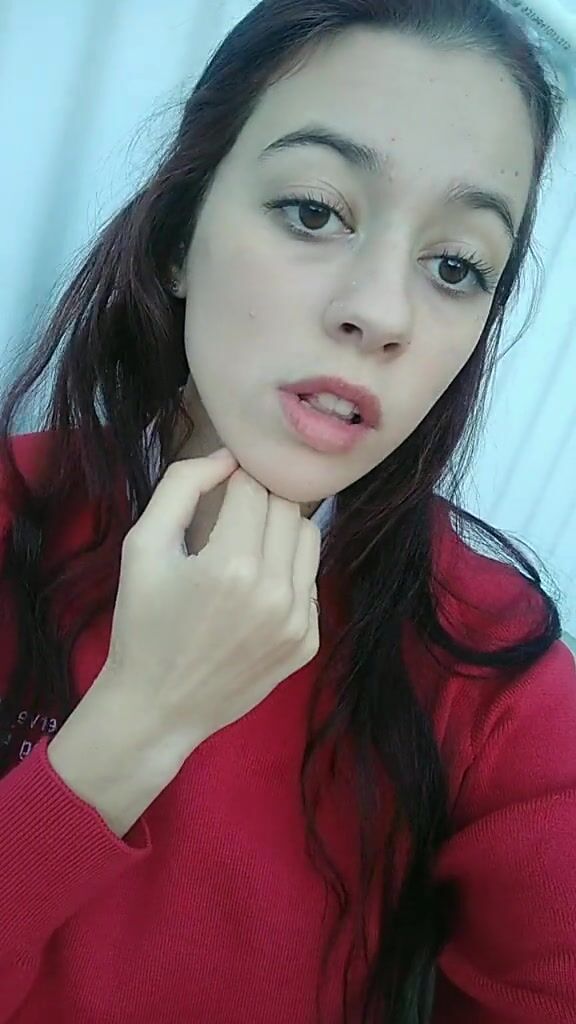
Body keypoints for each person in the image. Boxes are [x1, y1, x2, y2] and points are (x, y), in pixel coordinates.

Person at [0, 0, 574, 1021]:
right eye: (314, 211)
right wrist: (139, 723)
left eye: (455, 266)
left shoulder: (493, 668)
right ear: (179, 235)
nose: (381, 313)